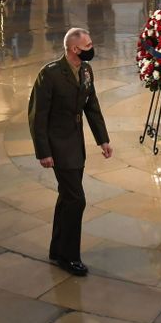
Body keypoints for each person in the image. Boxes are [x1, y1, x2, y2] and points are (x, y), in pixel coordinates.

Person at [28, 28, 111, 276]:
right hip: (57, 144)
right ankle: (69, 257)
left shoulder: (86, 70)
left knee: (67, 197)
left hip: (76, 143)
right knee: (76, 199)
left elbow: (91, 105)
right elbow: (37, 116)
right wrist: (43, 151)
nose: (91, 48)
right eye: (88, 45)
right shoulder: (50, 74)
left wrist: (102, 139)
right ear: (74, 49)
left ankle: (57, 249)